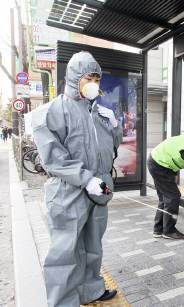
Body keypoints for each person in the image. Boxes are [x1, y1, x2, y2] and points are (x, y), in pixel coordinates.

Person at [32, 51, 123, 307]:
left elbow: (110, 148)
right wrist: (85, 179)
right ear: (73, 78)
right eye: (88, 78)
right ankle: (62, 302)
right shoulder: (51, 112)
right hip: (68, 191)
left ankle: (91, 291)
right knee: (65, 252)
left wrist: (114, 125)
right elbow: (54, 159)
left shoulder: (99, 112)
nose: (94, 83)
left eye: (97, 78)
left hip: (99, 189)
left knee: (93, 246)